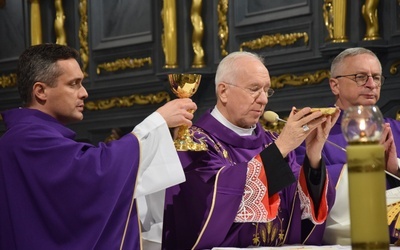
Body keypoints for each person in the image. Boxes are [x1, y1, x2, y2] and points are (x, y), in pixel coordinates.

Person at [0, 43, 197, 249]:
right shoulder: (27, 139)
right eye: (73, 84)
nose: (84, 93)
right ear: (40, 91)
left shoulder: (27, 136)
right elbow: (95, 173)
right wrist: (157, 122)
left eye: (82, 83)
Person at [162, 51, 340, 249]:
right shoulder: (193, 143)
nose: (263, 99)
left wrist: (313, 155)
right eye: (254, 89)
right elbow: (212, 203)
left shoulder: (273, 143)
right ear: (223, 92)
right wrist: (281, 147)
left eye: (267, 91)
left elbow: (298, 206)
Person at [296, 47, 400, 244]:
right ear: (335, 85)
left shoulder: (396, 130)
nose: (371, 84)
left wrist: (394, 169)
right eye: (361, 77)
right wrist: (360, 168)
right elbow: (302, 192)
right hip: (341, 241)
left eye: (376, 78)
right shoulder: (312, 133)